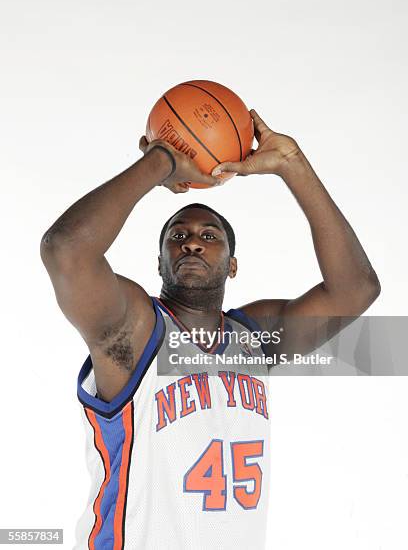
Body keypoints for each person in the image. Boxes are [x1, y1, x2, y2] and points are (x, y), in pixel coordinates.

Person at [40, 108, 380, 550]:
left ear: (233, 265)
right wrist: (161, 160)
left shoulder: (254, 339)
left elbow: (356, 290)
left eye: (209, 235)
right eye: (177, 237)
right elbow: (65, 249)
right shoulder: (137, 329)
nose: (193, 241)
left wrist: (292, 164)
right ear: (158, 263)